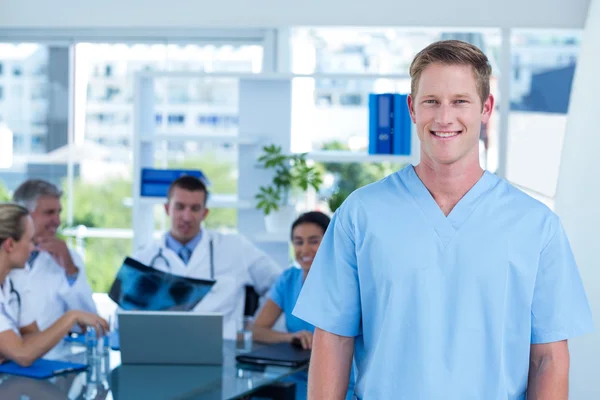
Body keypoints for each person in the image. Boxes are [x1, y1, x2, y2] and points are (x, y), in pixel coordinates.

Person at [293, 40, 594, 399]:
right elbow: (333, 340)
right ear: (412, 109)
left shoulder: (536, 226)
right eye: (431, 101)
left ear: (486, 109)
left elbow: (548, 359)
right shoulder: (360, 216)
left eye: (460, 101)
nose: (444, 117)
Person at [131, 175, 282, 339]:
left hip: (223, 350)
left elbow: (280, 284)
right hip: (162, 347)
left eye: (195, 208)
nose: (187, 217)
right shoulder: (143, 260)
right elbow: (124, 317)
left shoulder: (235, 247)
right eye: (180, 207)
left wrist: (255, 326)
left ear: (205, 212)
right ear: (167, 209)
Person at [252, 211, 354, 400]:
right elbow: (257, 330)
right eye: (298, 242)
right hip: (295, 379)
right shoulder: (288, 280)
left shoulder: (347, 283)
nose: (305, 249)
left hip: (339, 383)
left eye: (313, 241)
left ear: (329, 244)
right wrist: (291, 337)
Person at [0, 203, 108, 367]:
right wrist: (72, 316)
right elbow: (24, 354)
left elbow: (32, 338)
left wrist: (14, 350)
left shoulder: (12, 282)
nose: (32, 247)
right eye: (29, 241)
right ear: (10, 245)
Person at [10, 180, 97, 331]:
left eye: (59, 212)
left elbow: (91, 325)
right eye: (49, 213)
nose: (57, 221)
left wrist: (70, 270)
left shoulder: (70, 259)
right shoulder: (6, 255)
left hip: (54, 353)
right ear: (23, 215)